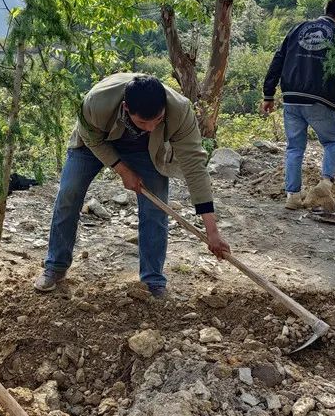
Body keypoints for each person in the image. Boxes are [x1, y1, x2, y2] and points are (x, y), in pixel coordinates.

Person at [34, 73, 230, 298]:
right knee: (69, 193)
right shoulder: (97, 101)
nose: (149, 128)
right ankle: (55, 267)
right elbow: (92, 138)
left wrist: (212, 232)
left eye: (157, 121)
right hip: (94, 144)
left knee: (155, 209)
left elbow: (195, 167)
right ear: (126, 108)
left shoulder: (180, 110)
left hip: (145, 151)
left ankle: (153, 280)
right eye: (142, 122)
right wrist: (123, 170)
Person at [260, 0, 335, 213]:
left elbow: (278, 59)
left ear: (325, 8)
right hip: (320, 98)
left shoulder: (297, 28)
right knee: (332, 143)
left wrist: (268, 95)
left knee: (294, 148)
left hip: (291, 96)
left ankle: (292, 196)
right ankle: (325, 183)